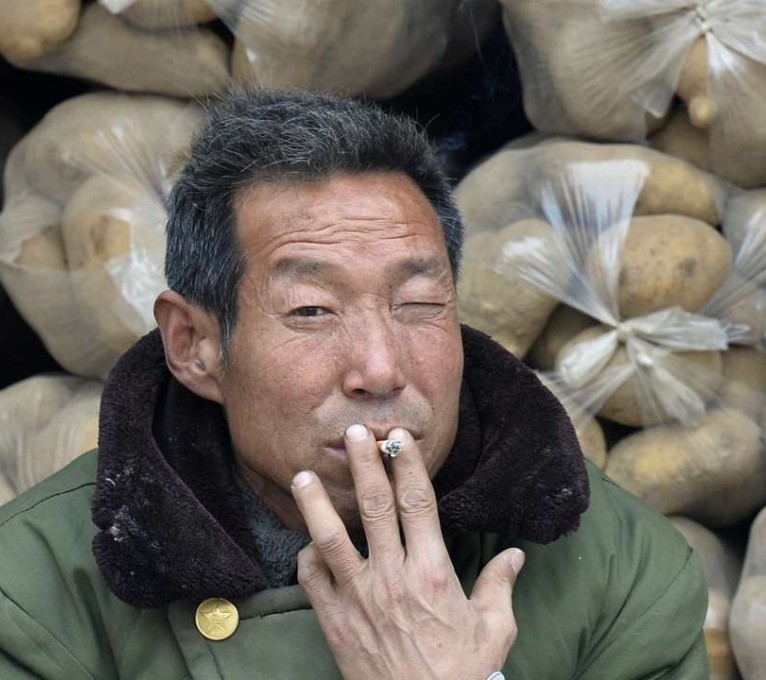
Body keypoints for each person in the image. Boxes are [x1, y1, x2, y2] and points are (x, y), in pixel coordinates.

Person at [0, 89, 708, 679]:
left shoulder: (617, 569)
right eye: (312, 311)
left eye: (419, 305)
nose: (379, 368)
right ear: (196, 346)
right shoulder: (34, 588)